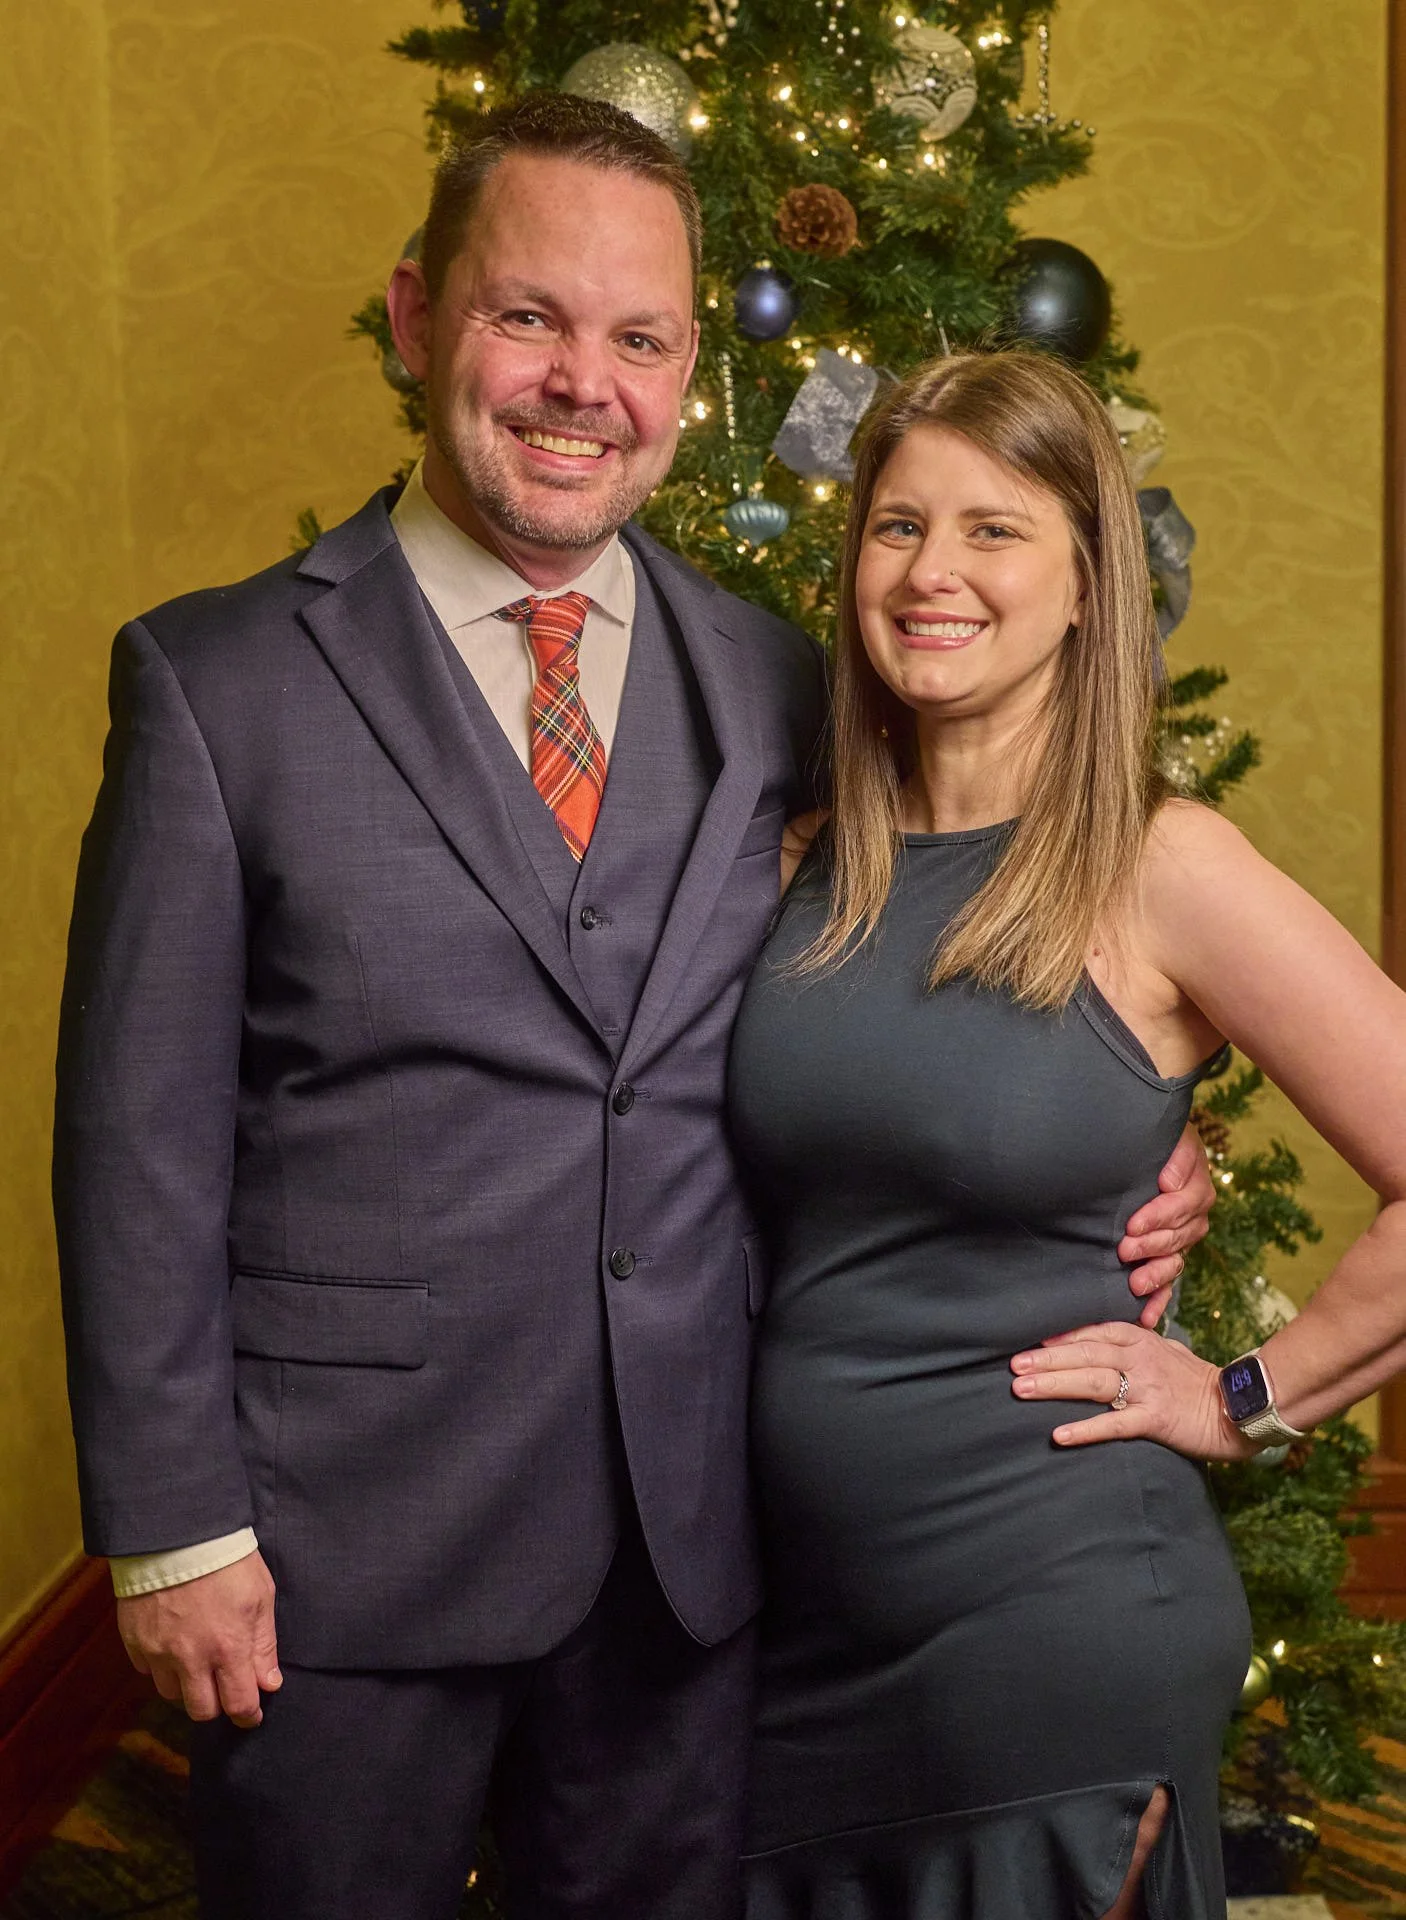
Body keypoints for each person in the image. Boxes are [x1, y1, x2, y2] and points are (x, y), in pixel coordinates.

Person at [53, 96, 1210, 1920]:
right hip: (337, 1557)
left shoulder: (776, 680)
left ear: (685, 373)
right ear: (417, 316)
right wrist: (173, 1532)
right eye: (527, 317)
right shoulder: (218, 683)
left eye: (641, 338)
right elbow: (135, 1143)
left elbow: (937, 970)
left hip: (692, 1553)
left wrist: (1143, 1126)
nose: (580, 385)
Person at [728, 346, 1406, 1920]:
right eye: (897, 526)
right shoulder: (796, 861)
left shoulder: (1163, 867)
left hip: (1047, 1634)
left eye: (994, 530)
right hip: (788, 1645)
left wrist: (1242, 1399)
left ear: (1091, 581)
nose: (932, 572)